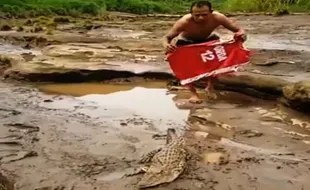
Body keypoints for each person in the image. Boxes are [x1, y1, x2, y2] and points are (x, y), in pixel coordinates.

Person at [163, 0, 247, 104]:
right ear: (191, 14)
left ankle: (210, 87)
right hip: (187, 42)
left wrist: (242, 35)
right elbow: (167, 37)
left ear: (211, 12)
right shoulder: (184, 21)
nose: (200, 18)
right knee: (186, 68)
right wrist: (166, 45)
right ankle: (193, 94)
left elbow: (238, 30)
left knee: (215, 64)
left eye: (204, 15)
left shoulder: (218, 17)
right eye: (197, 15)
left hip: (208, 39)